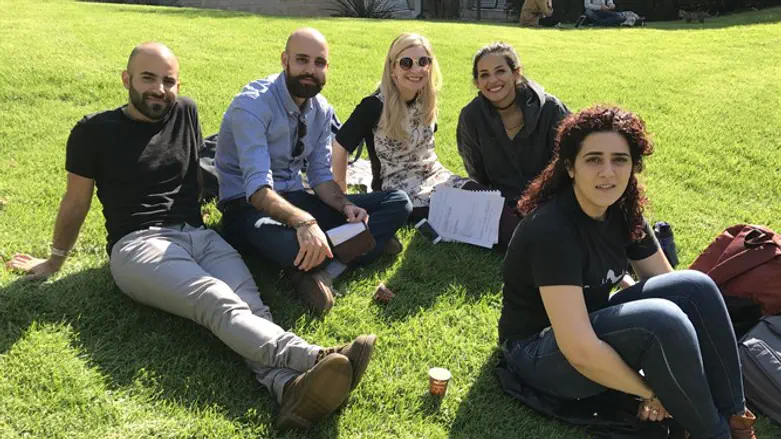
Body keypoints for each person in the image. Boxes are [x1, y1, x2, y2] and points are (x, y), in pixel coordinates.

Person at [5, 42, 378, 430]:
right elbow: (75, 202)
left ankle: (287, 391)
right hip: (139, 246)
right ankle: (318, 358)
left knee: (252, 307)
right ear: (126, 79)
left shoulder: (186, 112)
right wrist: (54, 259)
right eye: (148, 78)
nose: (159, 89)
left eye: (168, 81)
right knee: (215, 301)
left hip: (198, 235)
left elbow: (195, 175)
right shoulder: (93, 132)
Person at [499, 105, 758, 439]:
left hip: (586, 328)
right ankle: (715, 435)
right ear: (570, 167)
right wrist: (650, 390)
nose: (608, 172)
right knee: (658, 320)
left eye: (619, 159)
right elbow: (578, 348)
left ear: (633, 166)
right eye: (593, 159)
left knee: (696, 286)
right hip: (537, 350)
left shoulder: (623, 212)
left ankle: (737, 419)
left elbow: (673, 290)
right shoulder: (553, 230)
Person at [215, 28, 412, 314]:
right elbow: (257, 191)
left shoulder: (321, 110)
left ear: (327, 67)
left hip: (297, 197)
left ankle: (324, 266)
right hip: (247, 209)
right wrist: (305, 223)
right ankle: (361, 243)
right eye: (302, 60)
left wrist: (345, 206)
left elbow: (320, 177)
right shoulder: (253, 106)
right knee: (290, 247)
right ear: (285, 60)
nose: (311, 70)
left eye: (319, 63)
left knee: (398, 203)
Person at [332, 33, 470, 223]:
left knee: (482, 195)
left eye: (423, 61)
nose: (416, 69)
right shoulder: (374, 106)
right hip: (398, 189)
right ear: (392, 69)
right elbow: (340, 146)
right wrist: (343, 198)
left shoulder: (426, 98)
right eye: (406, 62)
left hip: (434, 176)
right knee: (459, 212)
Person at [457, 42, 569, 249]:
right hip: (502, 203)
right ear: (477, 83)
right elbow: (475, 168)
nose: (492, 81)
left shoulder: (551, 109)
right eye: (484, 75)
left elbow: (570, 161)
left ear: (516, 73)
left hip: (551, 199)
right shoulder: (471, 116)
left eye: (500, 71)